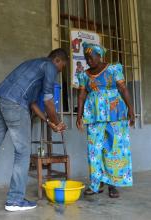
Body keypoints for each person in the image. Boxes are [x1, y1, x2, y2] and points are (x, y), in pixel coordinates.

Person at [0, 48, 68, 211]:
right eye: (61, 67)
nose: (59, 71)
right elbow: (48, 101)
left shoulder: (31, 64)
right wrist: (58, 122)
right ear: (57, 60)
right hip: (14, 104)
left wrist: (49, 122)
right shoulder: (49, 66)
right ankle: (15, 200)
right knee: (22, 152)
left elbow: (33, 104)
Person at [76, 42, 135, 198]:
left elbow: (123, 88)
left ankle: (112, 184)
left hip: (115, 115)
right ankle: (96, 183)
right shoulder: (84, 75)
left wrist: (131, 110)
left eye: (91, 57)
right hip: (94, 116)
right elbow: (81, 95)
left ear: (99, 55)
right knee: (94, 150)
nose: (89, 61)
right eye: (86, 58)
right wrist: (79, 115)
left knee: (113, 149)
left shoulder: (113, 69)